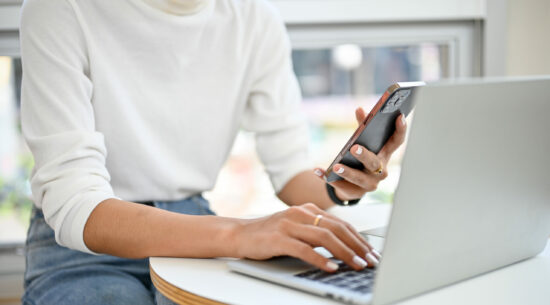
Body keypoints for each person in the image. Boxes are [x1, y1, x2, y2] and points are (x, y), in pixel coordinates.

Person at [19, 0, 407, 304]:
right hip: (84, 251)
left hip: (197, 229)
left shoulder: (255, 20)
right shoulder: (61, 8)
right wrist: (241, 233)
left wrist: (343, 184)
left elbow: (291, 173)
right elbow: (77, 207)